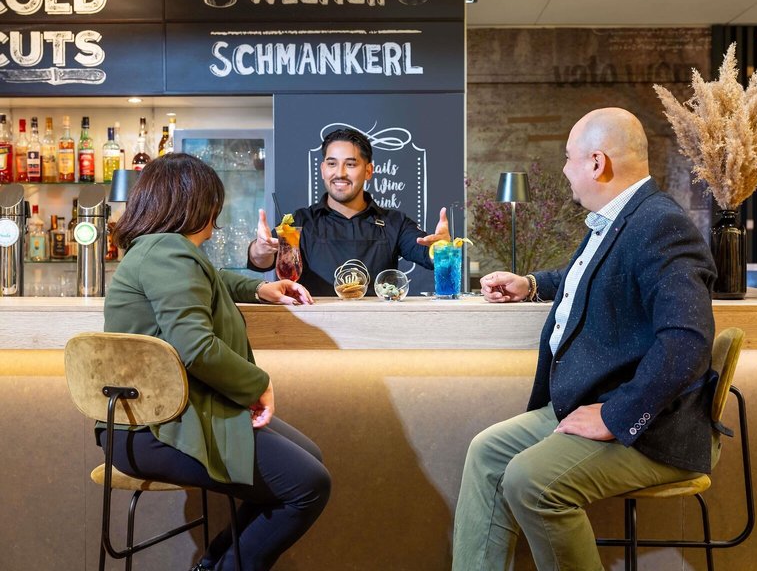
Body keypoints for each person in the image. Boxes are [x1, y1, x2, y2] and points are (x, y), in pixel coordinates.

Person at [452, 108, 718, 571]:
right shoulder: (619, 218)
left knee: (530, 480)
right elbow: (594, 277)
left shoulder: (660, 224)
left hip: (653, 427)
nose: (564, 170)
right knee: (487, 452)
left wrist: (617, 415)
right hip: (592, 402)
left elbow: (687, 339)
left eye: (567, 157)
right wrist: (531, 284)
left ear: (597, 162)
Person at [102, 153, 330, 571]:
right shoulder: (168, 253)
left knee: (308, 459)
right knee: (307, 484)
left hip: (151, 418)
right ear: (198, 205)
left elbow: (211, 279)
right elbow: (196, 347)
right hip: (154, 427)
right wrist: (258, 383)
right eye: (215, 205)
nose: (216, 219)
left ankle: (213, 565)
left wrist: (260, 288)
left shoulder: (156, 250)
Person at [247, 127, 451, 295]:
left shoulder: (394, 222)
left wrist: (441, 248)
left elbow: (428, 254)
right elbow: (262, 261)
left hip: (376, 326)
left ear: (368, 171)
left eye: (351, 164)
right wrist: (260, 249)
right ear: (323, 169)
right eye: (332, 164)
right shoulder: (300, 221)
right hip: (313, 326)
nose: (340, 173)